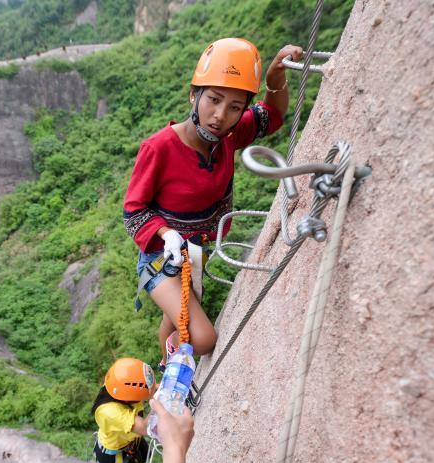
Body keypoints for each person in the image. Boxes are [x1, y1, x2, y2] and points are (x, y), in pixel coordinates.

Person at [124, 38, 304, 363]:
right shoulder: (159, 148)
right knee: (204, 339)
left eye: (235, 106)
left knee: (174, 319)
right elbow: (134, 211)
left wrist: (275, 78)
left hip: (196, 255)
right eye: (214, 99)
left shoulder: (229, 137)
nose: (219, 115)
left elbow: (272, 115)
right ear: (194, 95)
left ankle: (166, 361)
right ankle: (176, 370)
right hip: (160, 259)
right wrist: (166, 235)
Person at [93, 358, 157, 463]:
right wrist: (161, 398)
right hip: (113, 456)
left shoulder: (118, 386)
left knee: (146, 455)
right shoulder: (109, 412)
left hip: (130, 440)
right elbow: (145, 427)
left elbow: (152, 389)